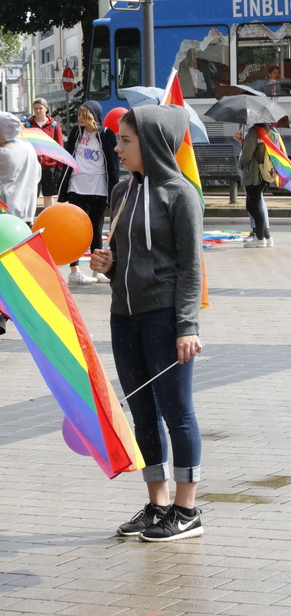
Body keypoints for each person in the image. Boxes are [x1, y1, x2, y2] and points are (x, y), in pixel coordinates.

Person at [90, 104, 204, 542]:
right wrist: (109, 268)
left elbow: (190, 268)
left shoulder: (180, 194)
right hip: (124, 316)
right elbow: (125, 261)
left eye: (125, 140)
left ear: (152, 143)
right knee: (142, 412)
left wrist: (187, 326)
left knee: (177, 411)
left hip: (164, 318)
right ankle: (158, 504)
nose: (117, 149)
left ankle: (187, 510)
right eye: (118, 140)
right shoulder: (122, 192)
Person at [58, 100, 119, 286]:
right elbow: (68, 156)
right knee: (75, 230)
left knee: (96, 229)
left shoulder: (106, 134)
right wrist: (63, 187)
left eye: (84, 115)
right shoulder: (76, 132)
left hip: (98, 188)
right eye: (79, 115)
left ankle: (97, 270)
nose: (80, 119)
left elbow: (113, 165)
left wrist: (113, 191)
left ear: (94, 116)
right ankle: (74, 271)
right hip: (77, 187)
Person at [0, 111, 41, 223]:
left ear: (1, 130)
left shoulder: (3, 153)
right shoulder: (28, 147)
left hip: (6, 212)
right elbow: (38, 175)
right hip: (27, 212)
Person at [239, 123, 275, 248]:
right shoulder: (269, 131)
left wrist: (241, 164)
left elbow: (247, 153)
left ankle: (260, 238)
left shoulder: (254, 132)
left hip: (253, 172)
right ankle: (267, 236)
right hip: (264, 170)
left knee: (254, 204)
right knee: (253, 204)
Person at [24, 97, 64, 207]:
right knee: (32, 195)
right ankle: (31, 217)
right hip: (33, 166)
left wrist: (59, 167)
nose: (38, 111)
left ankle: (49, 216)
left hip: (49, 167)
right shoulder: (28, 125)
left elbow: (59, 146)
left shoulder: (54, 125)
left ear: (46, 109)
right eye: (35, 108)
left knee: (48, 196)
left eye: (40, 108)